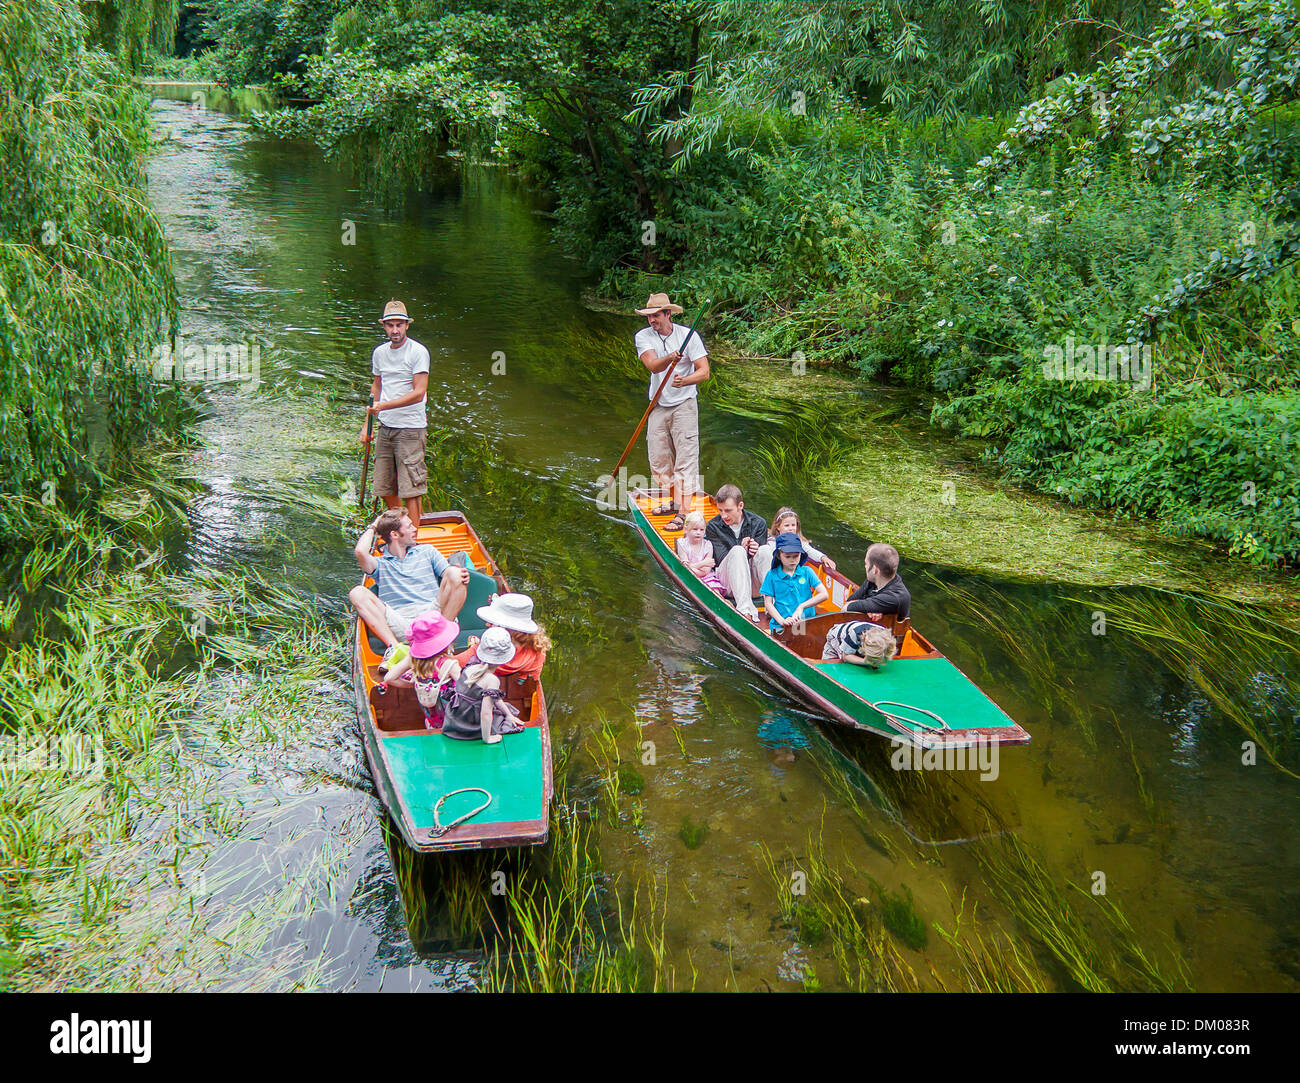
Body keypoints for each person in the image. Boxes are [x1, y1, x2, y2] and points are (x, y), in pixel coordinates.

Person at [348, 508, 470, 659]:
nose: (415, 529)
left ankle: (443, 639)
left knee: (455, 573)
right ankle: (395, 649)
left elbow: (449, 575)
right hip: (402, 622)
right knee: (357, 592)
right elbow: (360, 551)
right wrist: (374, 525)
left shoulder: (427, 551)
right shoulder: (379, 564)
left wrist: (461, 575)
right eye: (409, 526)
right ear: (394, 534)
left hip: (433, 615)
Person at [634, 292, 709, 531]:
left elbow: (704, 372)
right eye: (649, 316)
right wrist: (670, 357)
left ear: (668, 314)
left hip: (685, 403)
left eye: (656, 315)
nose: (652, 321)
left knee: (685, 459)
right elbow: (653, 365)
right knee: (659, 460)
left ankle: (684, 513)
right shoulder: (643, 336)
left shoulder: (689, 336)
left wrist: (685, 381)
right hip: (658, 404)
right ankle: (675, 502)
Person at [358, 299, 431, 525]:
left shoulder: (418, 352)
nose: (395, 330)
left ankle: (414, 542)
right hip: (386, 426)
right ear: (384, 326)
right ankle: (401, 527)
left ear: (407, 325)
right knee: (384, 485)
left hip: (411, 428)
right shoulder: (380, 353)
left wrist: (384, 406)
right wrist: (367, 424)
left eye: (400, 324)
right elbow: (377, 387)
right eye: (391, 325)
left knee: (411, 488)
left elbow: (419, 392)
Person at [439, 627, 527, 744]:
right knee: (506, 723)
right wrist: (487, 738)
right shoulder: (491, 680)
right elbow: (486, 713)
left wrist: (509, 715)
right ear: (504, 659)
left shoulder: (471, 665)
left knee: (508, 711)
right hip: (469, 726)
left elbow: (495, 700)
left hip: (454, 720)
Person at [451, 593, 551, 684]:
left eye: (492, 622)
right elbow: (534, 678)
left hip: (481, 679)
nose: (487, 624)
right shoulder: (538, 649)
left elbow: (452, 664)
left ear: (506, 626)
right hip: (513, 680)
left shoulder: (489, 646)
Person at [383, 612, 461, 729]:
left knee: (430, 721)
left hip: (433, 721)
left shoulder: (413, 660)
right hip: (456, 722)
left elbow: (389, 678)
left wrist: (414, 684)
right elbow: (468, 690)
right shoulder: (449, 665)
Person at [705, 483, 767, 620]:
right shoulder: (713, 527)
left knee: (765, 550)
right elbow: (722, 558)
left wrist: (754, 549)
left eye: (727, 510)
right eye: (720, 510)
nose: (723, 515)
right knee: (738, 550)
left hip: (754, 586)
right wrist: (742, 548)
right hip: (728, 585)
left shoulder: (759, 523)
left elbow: (761, 563)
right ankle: (745, 612)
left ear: (740, 506)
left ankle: (774, 605)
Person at [760, 533, 829, 634]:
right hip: (781, 627)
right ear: (779, 555)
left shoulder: (807, 571)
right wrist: (782, 621)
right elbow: (768, 603)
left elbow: (824, 594)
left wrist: (801, 607)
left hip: (807, 624)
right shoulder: (772, 575)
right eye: (787, 557)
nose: (792, 560)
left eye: (796, 556)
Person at [751, 505, 837, 582]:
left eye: (793, 525)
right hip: (774, 574)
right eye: (787, 526)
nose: (791, 528)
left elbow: (809, 550)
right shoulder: (772, 542)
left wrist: (823, 558)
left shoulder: (798, 541)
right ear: (778, 527)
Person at [845, 543, 910, 621]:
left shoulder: (894, 597)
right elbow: (848, 603)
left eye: (866, 563)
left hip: (886, 632)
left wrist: (867, 606)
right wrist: (868, 608)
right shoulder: (873, 581)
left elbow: (846, 608)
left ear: (875, 570)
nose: (865, 566)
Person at [675, 510, 726, 597]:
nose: (698, 532)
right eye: (695, 529)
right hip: (689, 576)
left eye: (701, 530)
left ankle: (726, 605)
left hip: (707, 577)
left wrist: (693, 567)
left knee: (716, 593)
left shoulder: (708, 545)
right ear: (686, 530)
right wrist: (703, 563)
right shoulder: (682, 543)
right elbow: (685, 568)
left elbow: (706, 571)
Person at [821, 619, 898, 667]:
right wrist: (866, 662)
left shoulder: (885, 636)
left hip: (859, 643)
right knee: (829, 667)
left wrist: (876, 660)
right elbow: (846, 656)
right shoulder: (855, 634)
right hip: (835, 638)